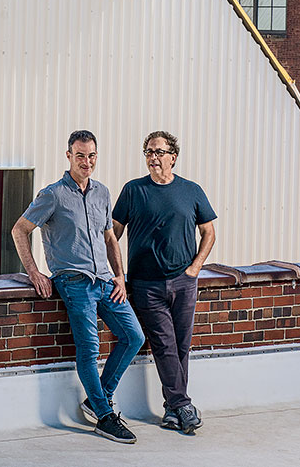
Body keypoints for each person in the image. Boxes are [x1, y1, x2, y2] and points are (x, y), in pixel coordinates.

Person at [12, 130, 145, 444]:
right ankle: (104, 416)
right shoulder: (53, 194)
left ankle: (97, 398)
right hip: (74, 284)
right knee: (89, 349)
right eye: (81, 155)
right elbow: (20, 230)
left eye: (92, 156)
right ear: (69, 155)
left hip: (105, 281)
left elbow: (110, 238)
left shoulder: (102, 192)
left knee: (134, 336)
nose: (87, 162)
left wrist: (120, 276)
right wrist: (33, 273)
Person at [112, 130, 217, 436]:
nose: (153, 157)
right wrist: (113, 270)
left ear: (173, 156)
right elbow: (112, 234)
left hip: (184, 282)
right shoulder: (133, 191)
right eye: (148, 152)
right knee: (164, 344)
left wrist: (195, 268)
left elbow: (209, 233)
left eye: (158, 152)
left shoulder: (191, 190)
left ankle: (172, 411)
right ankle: (183, 404)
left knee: (181, 346)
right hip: (146, 284)